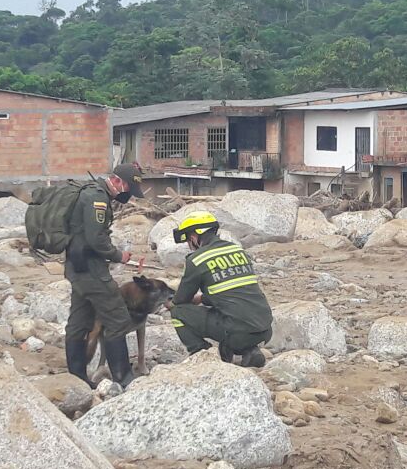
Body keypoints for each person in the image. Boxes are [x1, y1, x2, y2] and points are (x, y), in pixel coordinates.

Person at [64, 163, 145, 387]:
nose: (128, 195)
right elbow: (96, 239)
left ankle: (77, 378)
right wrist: (118, 255)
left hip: (77, 267)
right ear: (116, 181)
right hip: (91, 269)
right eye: (128, 188)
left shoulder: (92, 193)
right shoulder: (97, 199)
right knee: (118, 318)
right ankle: (123, 378)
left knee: (79, 320)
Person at [164, 211, 272, 368]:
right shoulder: (237, 251)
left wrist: (170, 303)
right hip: (265, 329)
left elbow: (181, 300)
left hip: (237, 333)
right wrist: (201, 299)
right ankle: (250, 350)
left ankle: (202, 354)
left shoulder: (197, 259)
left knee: (178, 313)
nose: (189, 244)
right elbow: (231, 291)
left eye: (187, 239)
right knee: (234, 315)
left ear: (194, 237)